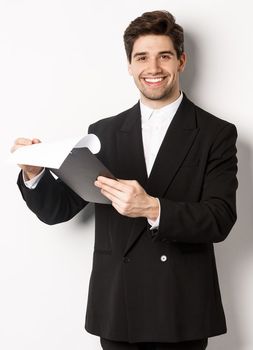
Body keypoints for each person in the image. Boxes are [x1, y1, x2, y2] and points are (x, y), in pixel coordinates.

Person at [11, 10, 237, 350]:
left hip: (180, 308)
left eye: (164, 56)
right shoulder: (102, 133)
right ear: (130, 65)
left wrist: (152, 208)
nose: (154, 68)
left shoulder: (215, 133)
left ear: (181, 61)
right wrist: (35, 172)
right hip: (119, 308)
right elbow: (59, 210)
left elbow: (220, 218)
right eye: (141, 57)